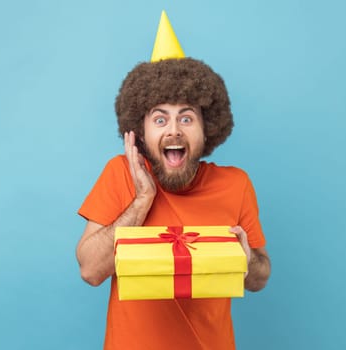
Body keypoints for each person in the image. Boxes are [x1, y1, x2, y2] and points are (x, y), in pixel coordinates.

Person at [76, 11, 271, 350]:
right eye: (160, 118)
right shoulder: (121, 173)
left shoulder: (236, 184)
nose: (174, 130)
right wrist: (141, 201)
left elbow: (259, 278)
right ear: (141, 129)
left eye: (186, 117)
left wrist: (248, 259)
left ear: (206, 127)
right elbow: (90, 270)